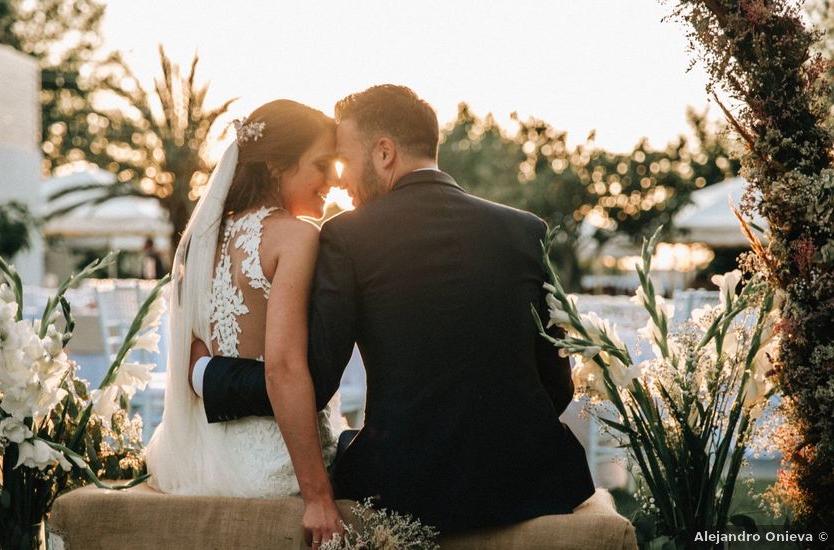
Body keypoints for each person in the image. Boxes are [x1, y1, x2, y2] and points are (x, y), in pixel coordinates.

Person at [191, 85, 596, 545]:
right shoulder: (524, 230)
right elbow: (557, 385)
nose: (340, 180)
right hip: (534, 479)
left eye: (344, 160)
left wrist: (208, 375)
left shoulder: (347, 238)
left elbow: (314, 380)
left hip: (410, 485)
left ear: (384, 153)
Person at [143, 100, 348, 522]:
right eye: (322, 164)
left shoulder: (204, 239)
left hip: (208, 461)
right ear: (275, 164)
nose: (334, 180)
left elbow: (194, 350)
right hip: (279, 467)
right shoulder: (296, 238)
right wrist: (318, 497)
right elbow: (284, 369)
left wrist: (203, 373)